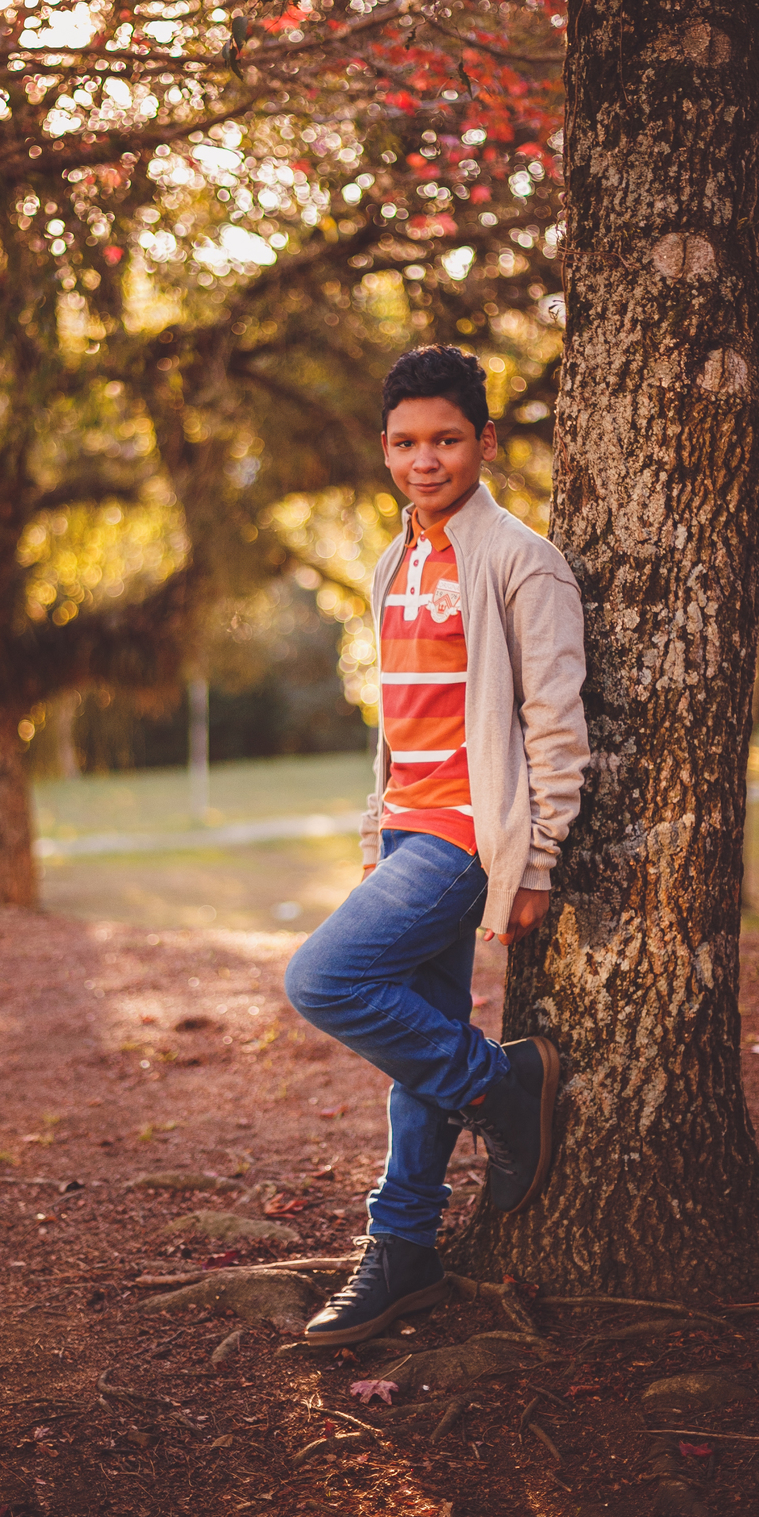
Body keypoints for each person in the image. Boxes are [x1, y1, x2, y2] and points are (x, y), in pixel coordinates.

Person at [284, 344, 588, 1344]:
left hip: (469, 833)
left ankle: (503, 1087)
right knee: (422, 1027)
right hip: (408, 827)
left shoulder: (521, 560)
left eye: (447, 440)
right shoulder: (391, 563)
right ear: (384, 449)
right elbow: (399, 719)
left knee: (322, 979)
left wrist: (535, 859)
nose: (426, 460)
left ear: (485, 443)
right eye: (407, 442)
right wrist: (378, 831)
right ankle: (405, 1247)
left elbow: (556, 724)